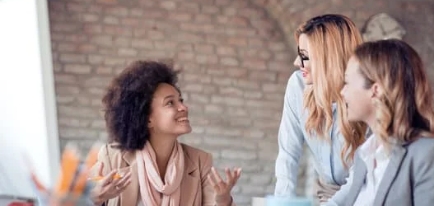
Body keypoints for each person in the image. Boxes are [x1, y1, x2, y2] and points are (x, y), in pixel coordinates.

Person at [89, 60, 240, 206]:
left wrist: (223, 201)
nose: (183, 107)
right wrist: (95, 198)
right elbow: (78, 197)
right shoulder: (112, 157)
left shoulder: (200, 161)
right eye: (170, 103)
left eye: (180, 100)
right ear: (147, 118)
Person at [329, 39, 434, 205]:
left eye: (347, 82)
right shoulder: (364, 156)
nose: (342, 92)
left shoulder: (431, 153)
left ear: (376, 90)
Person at [274, 14, 368, 203]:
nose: (296, 63)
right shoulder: (297, 85)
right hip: (325, 194)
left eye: (305, 57)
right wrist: (281, 202)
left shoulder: (366, 95)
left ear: (328, 59)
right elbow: (288, 153)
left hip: (364, 197)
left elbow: (360, 173)